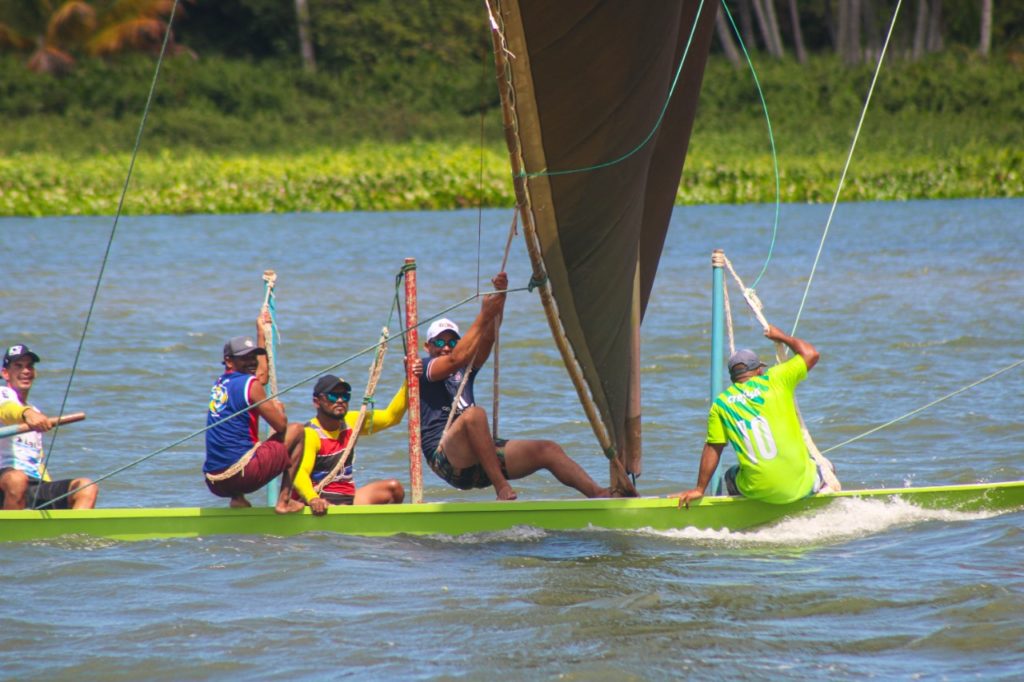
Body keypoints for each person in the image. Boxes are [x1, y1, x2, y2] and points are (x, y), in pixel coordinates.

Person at [419, 271, 608, 500]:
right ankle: (502, 489)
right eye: (439, 342)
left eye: (452, 342)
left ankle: (600, 495)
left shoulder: (464, 369)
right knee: (474, 415)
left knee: (548, 450)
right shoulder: (424, 367)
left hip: (482, 457)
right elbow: (454, 359)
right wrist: (483, 315)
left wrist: (500, 299)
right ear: (428, 346)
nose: (446, 347)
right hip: (446, 457)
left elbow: (487, 339)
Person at [675, 324, 832, 507]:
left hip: (758, 490)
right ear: (758, 370)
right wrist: (781, 337)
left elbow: (713, 447)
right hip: (798, 486)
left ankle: (748, 510)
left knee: (730, 476)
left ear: (733, 378)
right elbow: (811, 354)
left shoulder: (721, 403)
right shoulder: (776, 379)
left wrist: (699, 489)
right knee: (826, 466)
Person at [204, 314, 306, 513]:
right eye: (245, 358)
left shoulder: (221, 383)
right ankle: (284, 501)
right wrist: (278, 410)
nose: (251, 362)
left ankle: (237, 499)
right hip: (242, 475)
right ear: (229, 361)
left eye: (253, 357)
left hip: (215, 482)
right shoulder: (250, 385)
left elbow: (261, 376)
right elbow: (281, 426)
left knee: (234, 441)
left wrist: (261, 331)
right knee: (298, 431)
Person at [0, 344, 98, 510]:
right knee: (17, 479)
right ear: (5, 373)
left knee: (86, 487)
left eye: (29, 366)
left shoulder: (36, 412)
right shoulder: (4, 395)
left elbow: (36, 461)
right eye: (18, 366)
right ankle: (10, 533)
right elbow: (7, 410)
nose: (25, 371)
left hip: (32, 483)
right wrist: (27, 414)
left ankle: (71, 534)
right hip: (5, 481)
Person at [293, 374, 406, 515]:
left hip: (348, 500)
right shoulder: (311, 434)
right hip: (322, 503)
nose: (340, 400)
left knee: (394, 488)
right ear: (317, 402)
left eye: (345, 396)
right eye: (333, 396)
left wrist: (410, 380)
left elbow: (391, 418)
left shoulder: (352, 422)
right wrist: (313, 499)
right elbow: (299, 473)